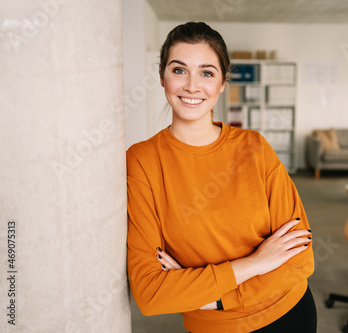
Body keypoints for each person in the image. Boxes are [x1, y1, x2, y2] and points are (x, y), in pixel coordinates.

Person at [126, 21, 316, 333]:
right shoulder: (143, 161)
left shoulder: (254, 148)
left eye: (206, 72)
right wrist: (255, 263)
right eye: (178, 70)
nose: (191, 85)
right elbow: (150, 294)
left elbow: (300, 261)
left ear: (223, 83)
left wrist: (211, 298)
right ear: (162, 77)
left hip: (290, 314)